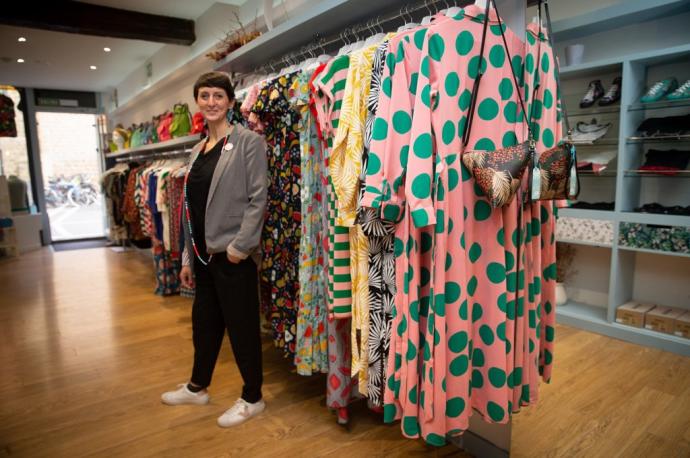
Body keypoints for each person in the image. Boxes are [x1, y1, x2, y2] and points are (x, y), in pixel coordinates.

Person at [161, 71, 268, 428]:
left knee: (241, 327)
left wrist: (240, 247)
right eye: (204, 96)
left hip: (232, 255)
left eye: (218, 96)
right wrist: (190, 257)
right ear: (198, 103)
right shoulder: (196, 150)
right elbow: (190, 208)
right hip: (204, 257)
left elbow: (258, 199)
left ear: (230, 102)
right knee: (204, 324)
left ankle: (253, 397)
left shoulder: (248, 142)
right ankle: (197, 387)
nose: (211, 102)